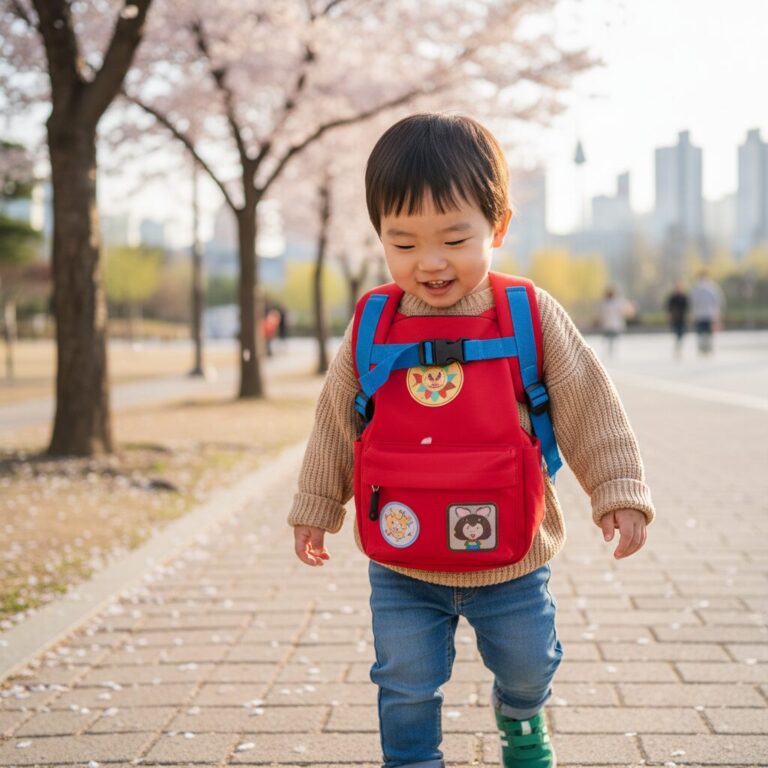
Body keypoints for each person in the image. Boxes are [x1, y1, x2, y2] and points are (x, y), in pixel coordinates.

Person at [288, 113, 655, 768]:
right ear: (380, 238)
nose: (429, 263)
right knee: (403, 681)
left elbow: (589, 404)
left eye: (455, 238)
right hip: (403, 557)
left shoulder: (526, 313)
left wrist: (618, 491)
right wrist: (317, 507)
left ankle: (518, 716)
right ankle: (412, 760)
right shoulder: (375, 322)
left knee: (529, 664)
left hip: (510, 556)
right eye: (402, 244)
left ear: (499, 226)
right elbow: (336, 422)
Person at [689, 270, 725, 355]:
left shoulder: (712, 289)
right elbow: (692, 302)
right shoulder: (695, 289)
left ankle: (708, 348)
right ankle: (702, 348)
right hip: (699, 315)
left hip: (709, 314)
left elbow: (717, 302)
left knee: (709, 333)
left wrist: (717, 314)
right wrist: (692, 313)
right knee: (700, 333)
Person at [598, 287, 633, 358]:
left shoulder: (617, 302)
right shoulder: (605, 303)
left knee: (614, 339)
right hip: (608, 324)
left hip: (615, 324)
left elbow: (623, 311)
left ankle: (613, 352)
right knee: (608, 339)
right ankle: (608, 352)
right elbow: (602, 313)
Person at [666, 281, 689, 359]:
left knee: (681, 333)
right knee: (676, 332)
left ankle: (679, 346)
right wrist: (670, 317)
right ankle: (677, 346)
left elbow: (687, 308)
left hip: (682, 318)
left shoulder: (684, 297)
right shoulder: (673, 298)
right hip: (675, 318)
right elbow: (669, 308)